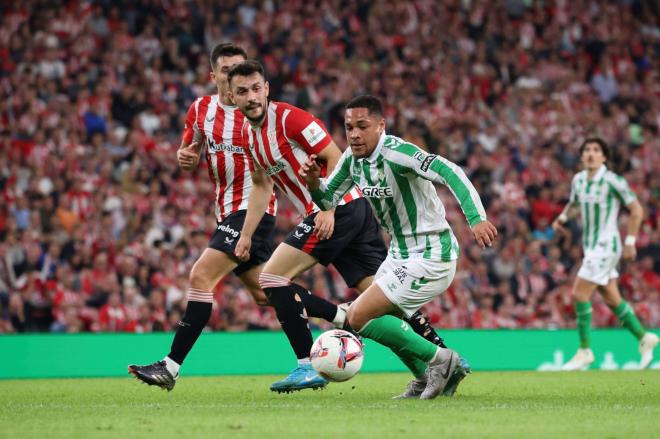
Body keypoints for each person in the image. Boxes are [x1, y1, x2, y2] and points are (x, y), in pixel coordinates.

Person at [228, 62, 469, 396]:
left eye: (256, 88)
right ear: (230, 95)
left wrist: (326, 207)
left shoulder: (290, 119)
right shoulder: (246, 135)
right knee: (380, 307)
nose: (251, 96)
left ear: (266, 88)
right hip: (349, 212)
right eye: (242, 91)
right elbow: (260, 185)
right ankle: (430, 370)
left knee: (270, 279)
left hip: (337, 210)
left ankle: (306, 364)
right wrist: (246, 233)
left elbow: (333, 155)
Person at [127, 44, 338, 391]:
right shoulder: (201, 110)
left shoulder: (256, 112)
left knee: (201, 276)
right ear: (214, 76)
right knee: (266, 291)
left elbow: (273, 167)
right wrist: (186, 156)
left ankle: (170, 366)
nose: (233, 77)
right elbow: (190, 150)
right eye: (226, 70)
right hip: (225, 211)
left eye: (239, 69)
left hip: (252, 212)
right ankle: (340, 318)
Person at [299, 95, 497, 399]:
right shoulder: (352, 162)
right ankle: (423, 377)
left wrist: (476, 218)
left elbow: (450, 171)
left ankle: (441, 360)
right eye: (349, 127)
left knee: (358, 316)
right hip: (399, 254)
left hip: (432, 253)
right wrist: (314, 183)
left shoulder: (398, 153)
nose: (353, 134)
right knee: (384, 319)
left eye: (362, 126)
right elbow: (328, 201)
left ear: (381, 126)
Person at [552, 137, 658, 370]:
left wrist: (630, 241)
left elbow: (636, 209)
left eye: (596, 150)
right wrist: (562, 218)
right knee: (611, 298)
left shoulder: (612, 181)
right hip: (590, 246)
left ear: (604, 157)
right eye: (587, 150)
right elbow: (574, 204)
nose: (591, 153)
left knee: (580, 293)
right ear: (581, 156)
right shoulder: (578, 180)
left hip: (607, 246)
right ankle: (643, 338)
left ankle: (584, 350)